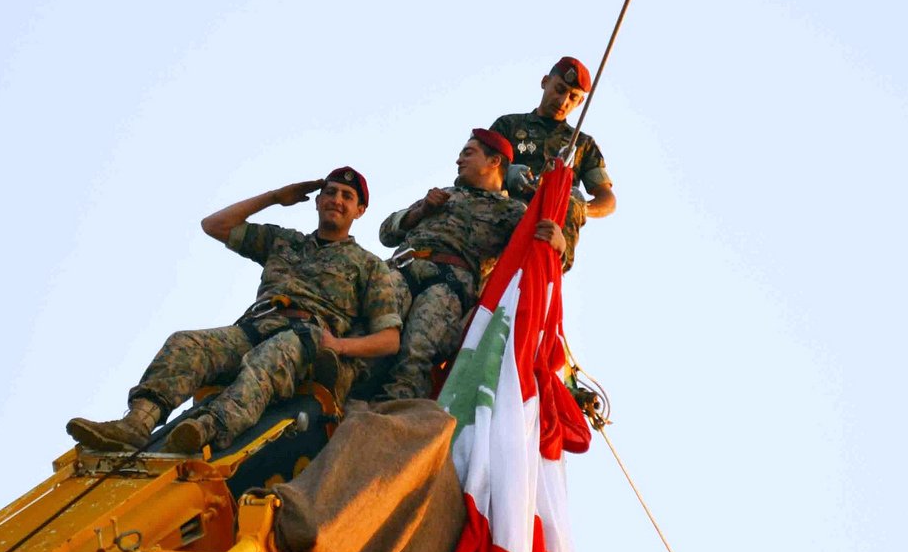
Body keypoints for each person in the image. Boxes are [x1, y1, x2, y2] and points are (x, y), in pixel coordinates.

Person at [67, 167, 402, 454]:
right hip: (253, 327)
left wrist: (338, 346)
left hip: (307, 338)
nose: (336, 200)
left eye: (347, 196)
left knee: (273, 356)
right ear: (317, 200)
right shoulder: (284, 241)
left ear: (359, 210)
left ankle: (210, 427)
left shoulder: (367, 265)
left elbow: (389, 339)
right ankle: (136, 424)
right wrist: (275, 197)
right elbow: (214, 225)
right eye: (330, 192)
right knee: (186, 343)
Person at [373, 129, 566, 401]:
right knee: (367, 330)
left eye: (468, 153)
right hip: (402, 269)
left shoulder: (511, 211)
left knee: (416, 354)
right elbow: (386, 233)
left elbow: (537, 256)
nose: (459, 160)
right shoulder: (444, 194)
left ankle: (392, 417)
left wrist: (560, 245)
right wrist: (421, 210)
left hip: (448, 286)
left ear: (494, 161)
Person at [491, 56, 617, 271]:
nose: (563, 101)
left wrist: (582, 207)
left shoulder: (582, 144)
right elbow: (478, 167)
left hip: (551, 230)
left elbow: (608, 200)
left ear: (580, 103)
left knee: (571, 203)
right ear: (545, 82)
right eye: (559, 89)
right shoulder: (509, 125)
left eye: (573, 97)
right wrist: (506, 173)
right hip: (504, 221)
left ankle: (550, 268)